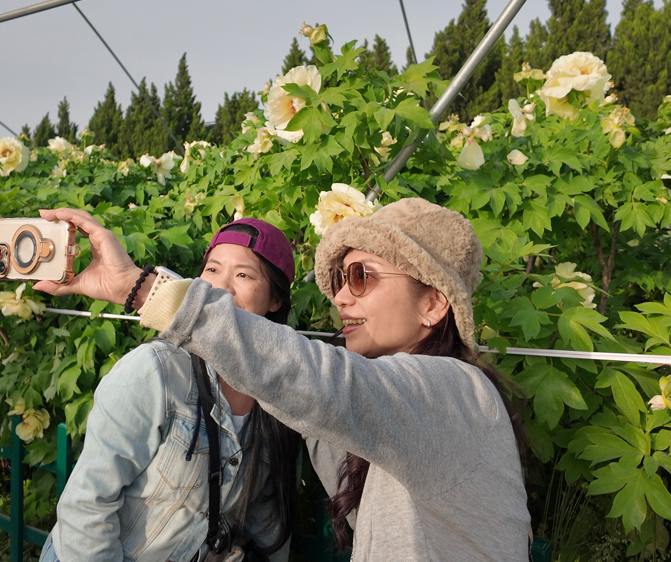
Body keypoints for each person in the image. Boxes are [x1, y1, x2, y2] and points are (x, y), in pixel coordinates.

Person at [36, 197, 531, 561]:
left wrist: (141, 287)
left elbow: (316, 381)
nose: (341, 298)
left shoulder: (451, 393)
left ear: (434, 304)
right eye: (339, 280)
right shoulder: (158, 371)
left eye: (361, 276)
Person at [38, 217, 302, 562]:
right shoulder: (156, 371)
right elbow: (88, 506)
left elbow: (266, 525)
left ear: (275, 300)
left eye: (243, 275)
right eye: (212, 270)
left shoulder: (280, 400)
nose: (220, 288)